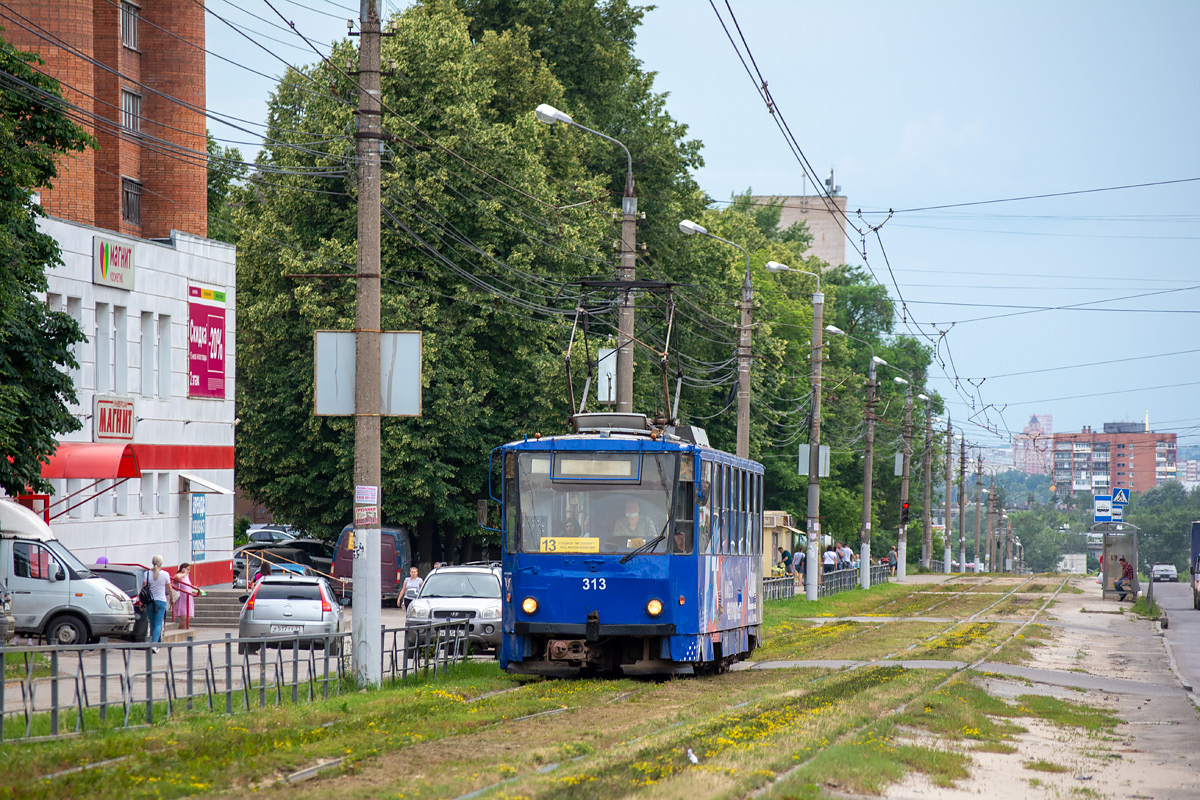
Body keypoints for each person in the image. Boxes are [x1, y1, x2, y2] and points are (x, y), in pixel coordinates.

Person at [146, 555, 175, 652]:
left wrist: (142, 602)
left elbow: (143, 589)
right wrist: (172, 599)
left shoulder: (146, 574)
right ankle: (154, 645)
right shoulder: (165, 574)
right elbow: (169, 589)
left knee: (152, 623)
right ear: (161, 563)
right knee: (158, 624)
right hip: (161, 601)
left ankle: (151, 643)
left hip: (149, 601)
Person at [171, 562, 196, 630]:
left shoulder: (186, 578)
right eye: (187, 569)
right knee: (184, 618)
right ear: (183, 569)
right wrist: (184, 573)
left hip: (188, 599)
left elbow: (188, 586)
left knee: (187, 619)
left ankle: (185, 630)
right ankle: (180, 630)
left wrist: (193, 590)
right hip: (182, 600)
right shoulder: (180, 575)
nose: (188, 571)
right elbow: (176, 578)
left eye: (189, 570)